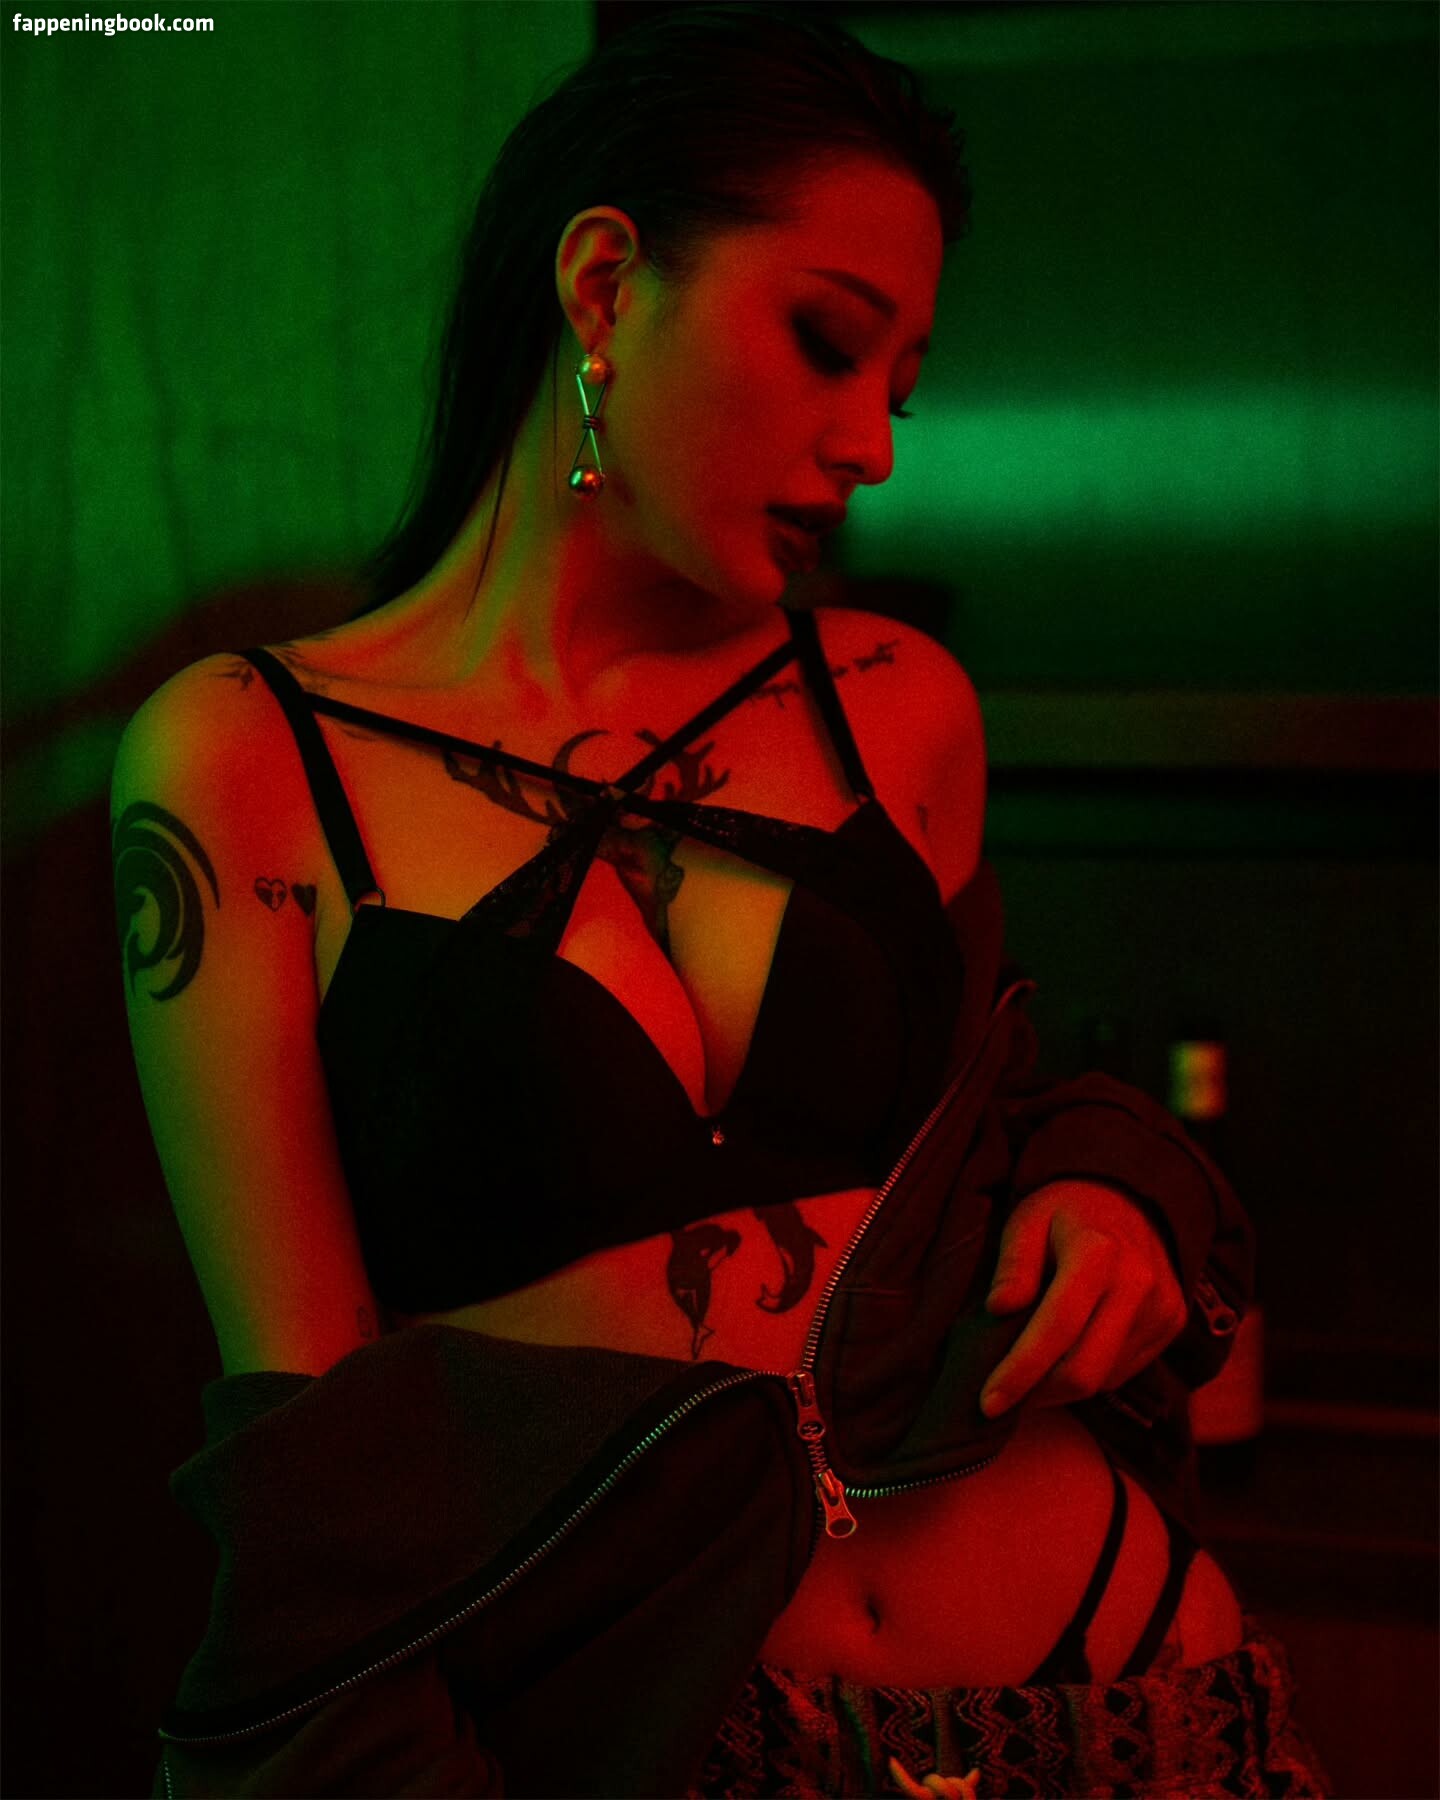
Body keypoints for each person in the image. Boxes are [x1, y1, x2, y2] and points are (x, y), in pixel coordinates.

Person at [113, 6, 1331, 1795]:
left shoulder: (896, 703)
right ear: (604, 285)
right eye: (828, 343)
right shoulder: (246, 755)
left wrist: (1108, 1192)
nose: (873, 447)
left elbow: (992, 1128)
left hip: (1128, 1696)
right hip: (680, 1741)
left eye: (899, 387)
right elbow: (309, 1450)